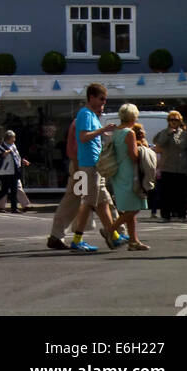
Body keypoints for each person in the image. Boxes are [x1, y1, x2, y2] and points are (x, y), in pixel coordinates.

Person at [69, 83, 122, 253]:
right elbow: (83, 137)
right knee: (88, 203)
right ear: (91, 97)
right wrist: (103, 130)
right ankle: (77, 240)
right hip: (89, 165)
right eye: (101, 99)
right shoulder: (85, 114)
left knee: (103, 202)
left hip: (95, 164)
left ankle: (114, 236)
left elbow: (92, 136)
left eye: (104, 100)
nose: (103, 103)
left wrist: (107, 135)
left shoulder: (91, 114)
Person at [106, 104, 149, 250]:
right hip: (130, 172)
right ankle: (110, 230)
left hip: (119, 172)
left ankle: (133, 241)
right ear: (133, 116)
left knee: (130, 208)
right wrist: (144, 150)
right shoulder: (129, 133)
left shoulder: (116, 131)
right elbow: (133, 156)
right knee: (135, 207)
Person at [153, 111, 187, 221]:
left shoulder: (183, 133)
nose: (173, 122)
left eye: (176, 120)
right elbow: (159, 143)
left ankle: (181, 214)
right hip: (167, 166)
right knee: (166, 193)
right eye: (171, 120)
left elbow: (181, 144)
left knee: (180, 192)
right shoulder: (164, 132)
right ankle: (166, 215)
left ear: (180, 121)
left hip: (180, 167)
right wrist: (168, 133)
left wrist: (174, 135)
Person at [0, 130, 28, 214]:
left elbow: (16, 156)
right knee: (4, 190)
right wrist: (3, 155)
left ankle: (14, 208)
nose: (14, 140)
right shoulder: (0, 147)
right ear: (9, 138)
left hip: (14, 171)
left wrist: (22, 161)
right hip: (5, 172)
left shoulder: (13, 146)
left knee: (14, 190)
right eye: (13, 138)